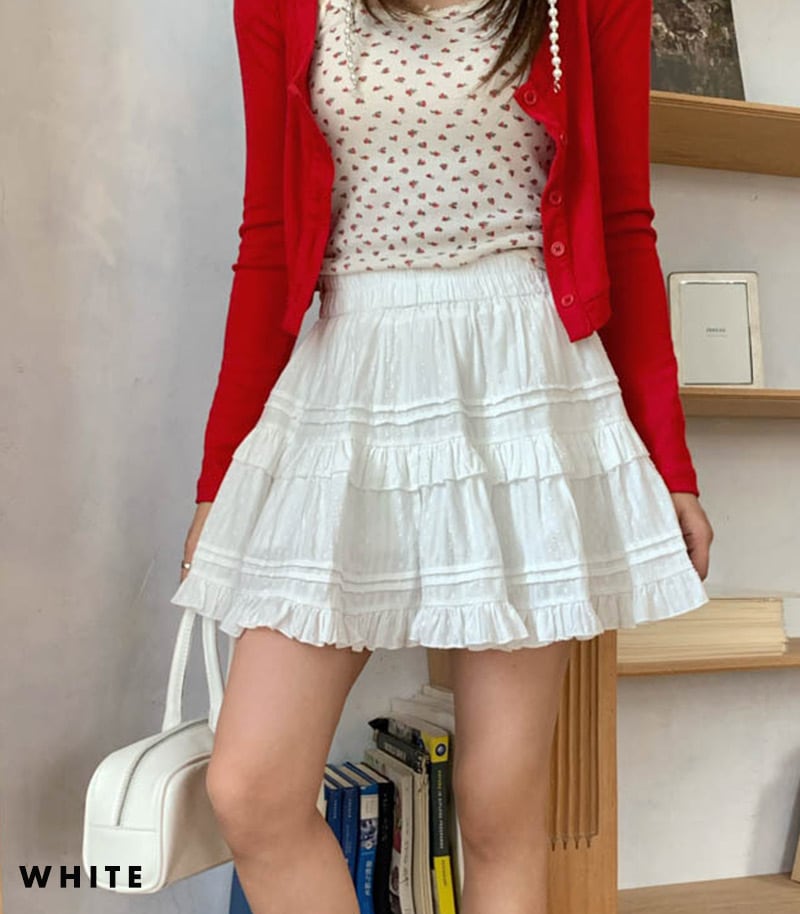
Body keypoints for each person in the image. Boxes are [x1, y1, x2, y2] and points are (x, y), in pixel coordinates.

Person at [170, 1, 714, 912]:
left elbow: (623, 221)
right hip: (351, 375)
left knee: (499, 810)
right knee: (252, 791)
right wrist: (219, 475)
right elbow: (269, 235)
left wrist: (672, 464)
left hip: (521, 381)